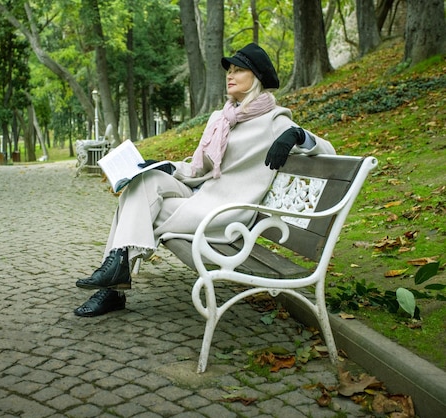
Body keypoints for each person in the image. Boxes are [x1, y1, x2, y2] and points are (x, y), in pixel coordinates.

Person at [74, 43, 336, 317]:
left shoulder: (274, 121)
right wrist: (163, 167)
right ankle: (115, 272)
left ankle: (113, 284)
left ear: (256, 78)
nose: (230, 75)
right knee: (143, 182)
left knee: (141, 205)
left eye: (238, 70)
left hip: (226, 213)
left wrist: (297, 135)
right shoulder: (222, 118)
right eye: (229, 70)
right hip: (201, 196)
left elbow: (329, 152)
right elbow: (199, 170)